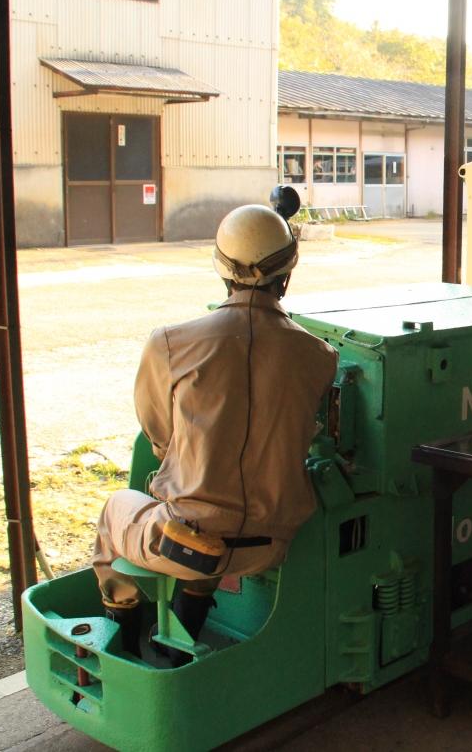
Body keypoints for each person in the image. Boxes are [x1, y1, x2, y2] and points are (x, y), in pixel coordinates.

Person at [92, 203, 339, 661]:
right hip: (269, 546)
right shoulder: (320, 356)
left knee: (115, 513)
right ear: (286, 273)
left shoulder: (170, 343)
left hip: (187, 541)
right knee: (211, 528)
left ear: (222, 269)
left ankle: (123, 652)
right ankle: (180, 646)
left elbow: (160, 437)